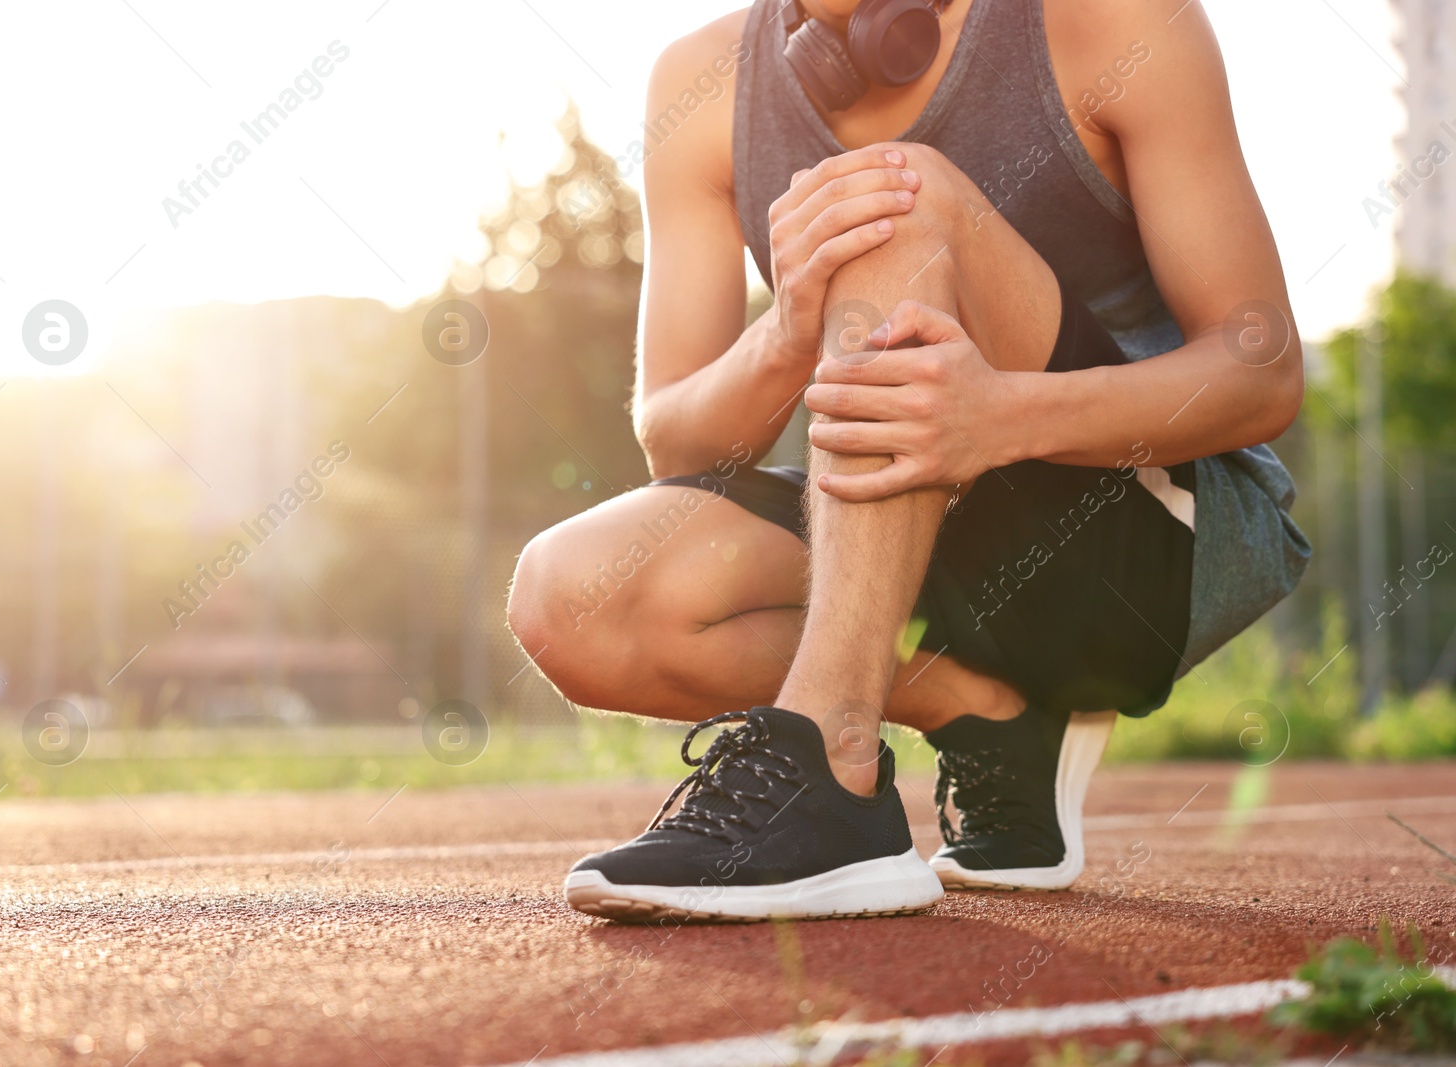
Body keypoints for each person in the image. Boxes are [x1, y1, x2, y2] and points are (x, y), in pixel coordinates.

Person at [507, 0, 1310, 921]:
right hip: (906, 516)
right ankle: (987, 712)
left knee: (888, 200)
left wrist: (1000, 417)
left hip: (1146, 549)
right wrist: (788, 328)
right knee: (572, 598)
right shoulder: (700, 83)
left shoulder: (1113, 17)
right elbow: (678, 442)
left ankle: (832, 781)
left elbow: (1263, 374)